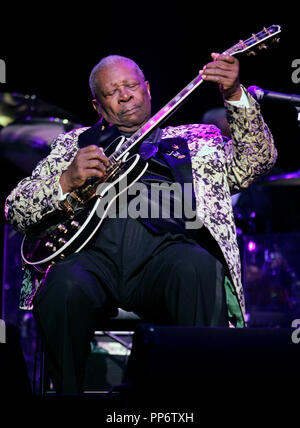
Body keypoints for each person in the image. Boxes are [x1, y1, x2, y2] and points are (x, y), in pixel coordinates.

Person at [5, 53, 277, 394]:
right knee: (62, 287)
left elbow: (258, 160)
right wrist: (65, 178)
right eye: (112, 91)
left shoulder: (196, 139)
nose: (125, 95)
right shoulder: (73, 145)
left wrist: (234, 93)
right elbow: (15, 208)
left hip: (167, 256)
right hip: (93, 260)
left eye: (131, 85)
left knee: (199, 266)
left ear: (147, 89)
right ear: (97, 105)